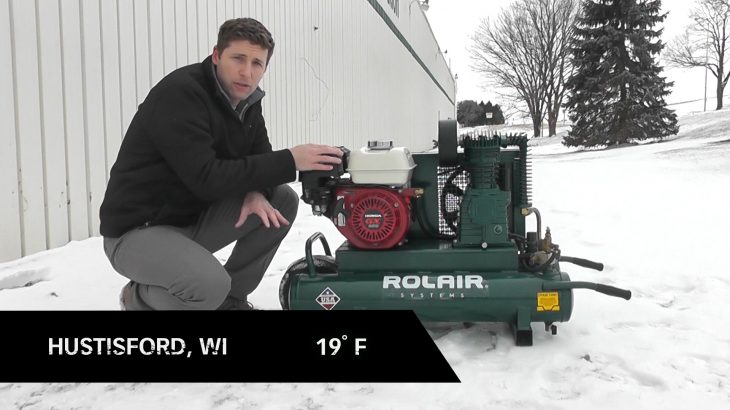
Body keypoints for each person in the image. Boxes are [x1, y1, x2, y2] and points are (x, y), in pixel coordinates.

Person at [99, 18, 342, 310]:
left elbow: (259, 156)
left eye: (257, 63)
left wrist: (256, 192)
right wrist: (292, 159)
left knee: (281, 200)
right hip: (136, 233)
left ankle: (231, 301)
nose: (247, 72)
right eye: (238, 58)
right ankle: (137, 298)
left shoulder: (246, 101)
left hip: (189, 221)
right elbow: (206, 177)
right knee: (209, 286)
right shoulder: (181, 94)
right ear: (217, 55)